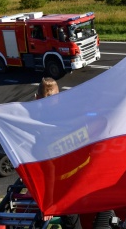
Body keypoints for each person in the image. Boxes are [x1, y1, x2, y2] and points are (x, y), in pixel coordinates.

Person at [34, 77, 82, 229]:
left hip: (54, 183)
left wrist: (47, 202)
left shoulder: (34, 119)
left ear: (38, 97)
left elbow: (49, 169)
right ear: (59, 95)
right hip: (72, 179)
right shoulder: (67, 113)